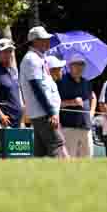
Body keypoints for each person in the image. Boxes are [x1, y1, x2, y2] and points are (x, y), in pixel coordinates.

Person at [19, 26, 66, 159]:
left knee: (40, 151)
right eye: (44, 39)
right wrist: (51, 112)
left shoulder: (37, 58)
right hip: (43, 113)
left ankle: (38, 178)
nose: (48, 41)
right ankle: (56, 177)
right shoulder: (32, 59)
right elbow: (37, 88)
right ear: (35, 41)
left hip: (41, 113)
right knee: (56, 143)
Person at [59, 54, 95, 157]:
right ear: (70, 66)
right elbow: (54, 103)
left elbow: (93, 97)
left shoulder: (86, 82)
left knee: (87, 161)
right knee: (69, 161)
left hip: (86, 127)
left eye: (82, 64)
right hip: (69, 127)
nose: (80, 67)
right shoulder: (62, 81)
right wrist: (72, 102)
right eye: (77, 64)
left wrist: (91, 112)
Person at [0, 38, 22, 130]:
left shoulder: (13, 70)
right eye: (5, 52)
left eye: (10, 51)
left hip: (17, 122)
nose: (8, 54)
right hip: (3, 122)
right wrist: (0, 115)